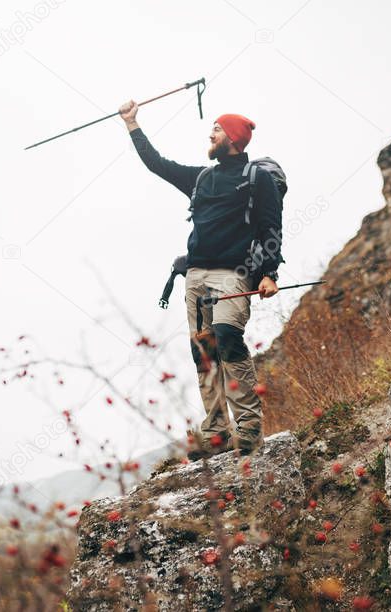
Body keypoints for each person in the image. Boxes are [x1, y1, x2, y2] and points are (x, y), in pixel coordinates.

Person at [118, 99, 283, 458]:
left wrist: (269, 273)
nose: (211, 133)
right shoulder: (201, 177)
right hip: (194, 277)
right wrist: (132, 124)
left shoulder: (259, 180)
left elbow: (271, 226)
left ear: (234, 140)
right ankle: (216, 432)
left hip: (234, 276)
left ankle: (249, 427)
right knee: (204, 353)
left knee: (227, 338)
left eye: (218, 129)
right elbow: (156, 164)